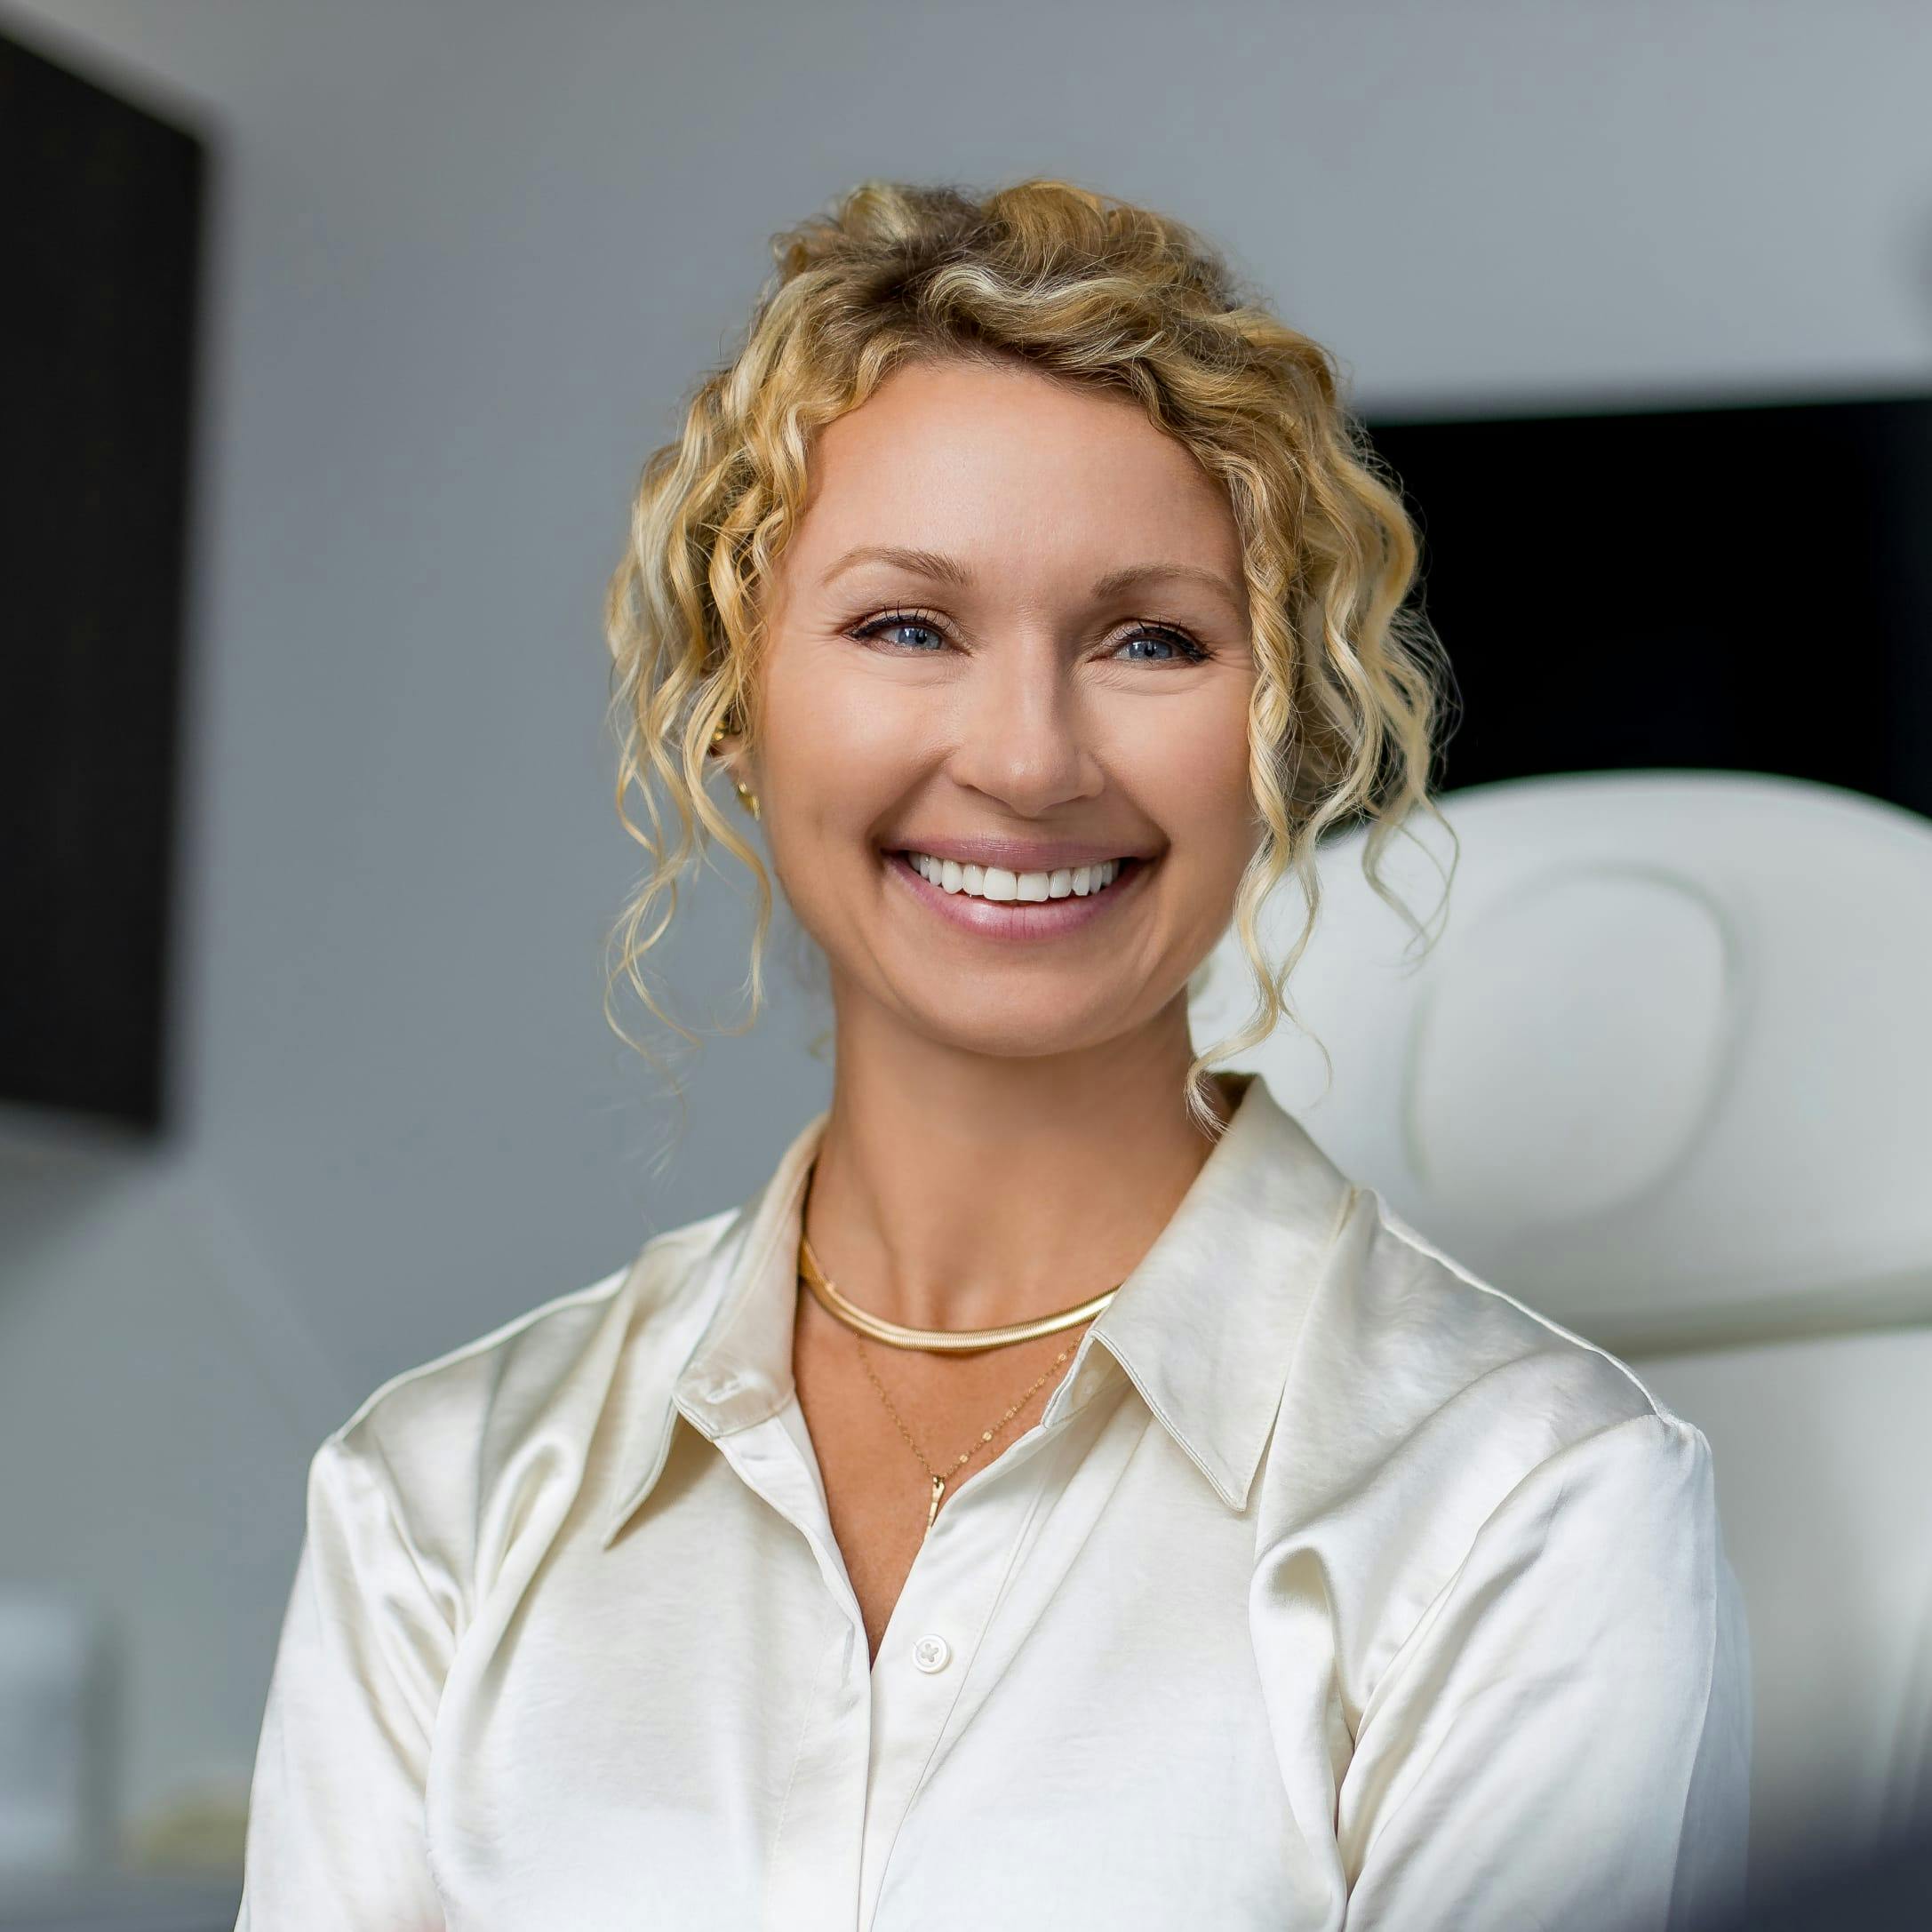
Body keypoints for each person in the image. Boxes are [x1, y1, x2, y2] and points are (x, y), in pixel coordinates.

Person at [234, 178, 1751, 1930]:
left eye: (1150, 640)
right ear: (734, 705)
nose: (1026, 760)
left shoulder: (1528, 1505)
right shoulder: (433, 1500)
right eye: (907, 626)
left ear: (1277, 733)